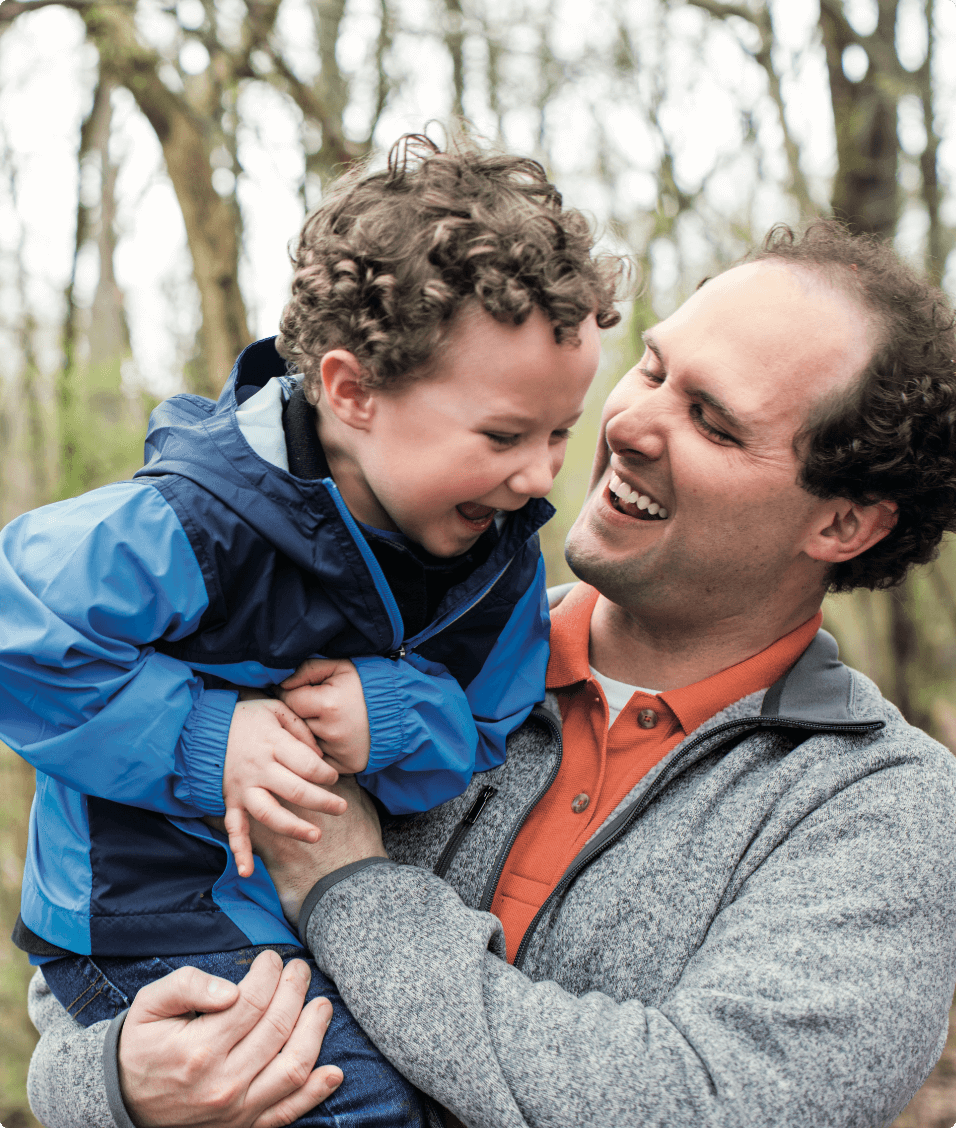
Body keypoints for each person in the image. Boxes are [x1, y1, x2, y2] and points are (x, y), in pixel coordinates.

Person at [26, 221, 956, 1128]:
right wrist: (113, 1090)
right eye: (656, 370)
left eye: (711, 421)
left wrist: (351, 887)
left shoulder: (885, 809)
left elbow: (718, 1103)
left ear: (842, 524)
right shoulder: (421, 643)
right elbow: (118, 958)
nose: (628, 423)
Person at [0, 135, 620, 1127]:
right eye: (504, 435)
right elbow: (18, 631)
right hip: (147, 916)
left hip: (321, 919)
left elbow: (487, 726)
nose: (541, 476)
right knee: (354, 1104)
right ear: (351, 392)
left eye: (558, 433)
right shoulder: (199, 517)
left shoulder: (498, 564)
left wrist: (394, 718)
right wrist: (208, 739)